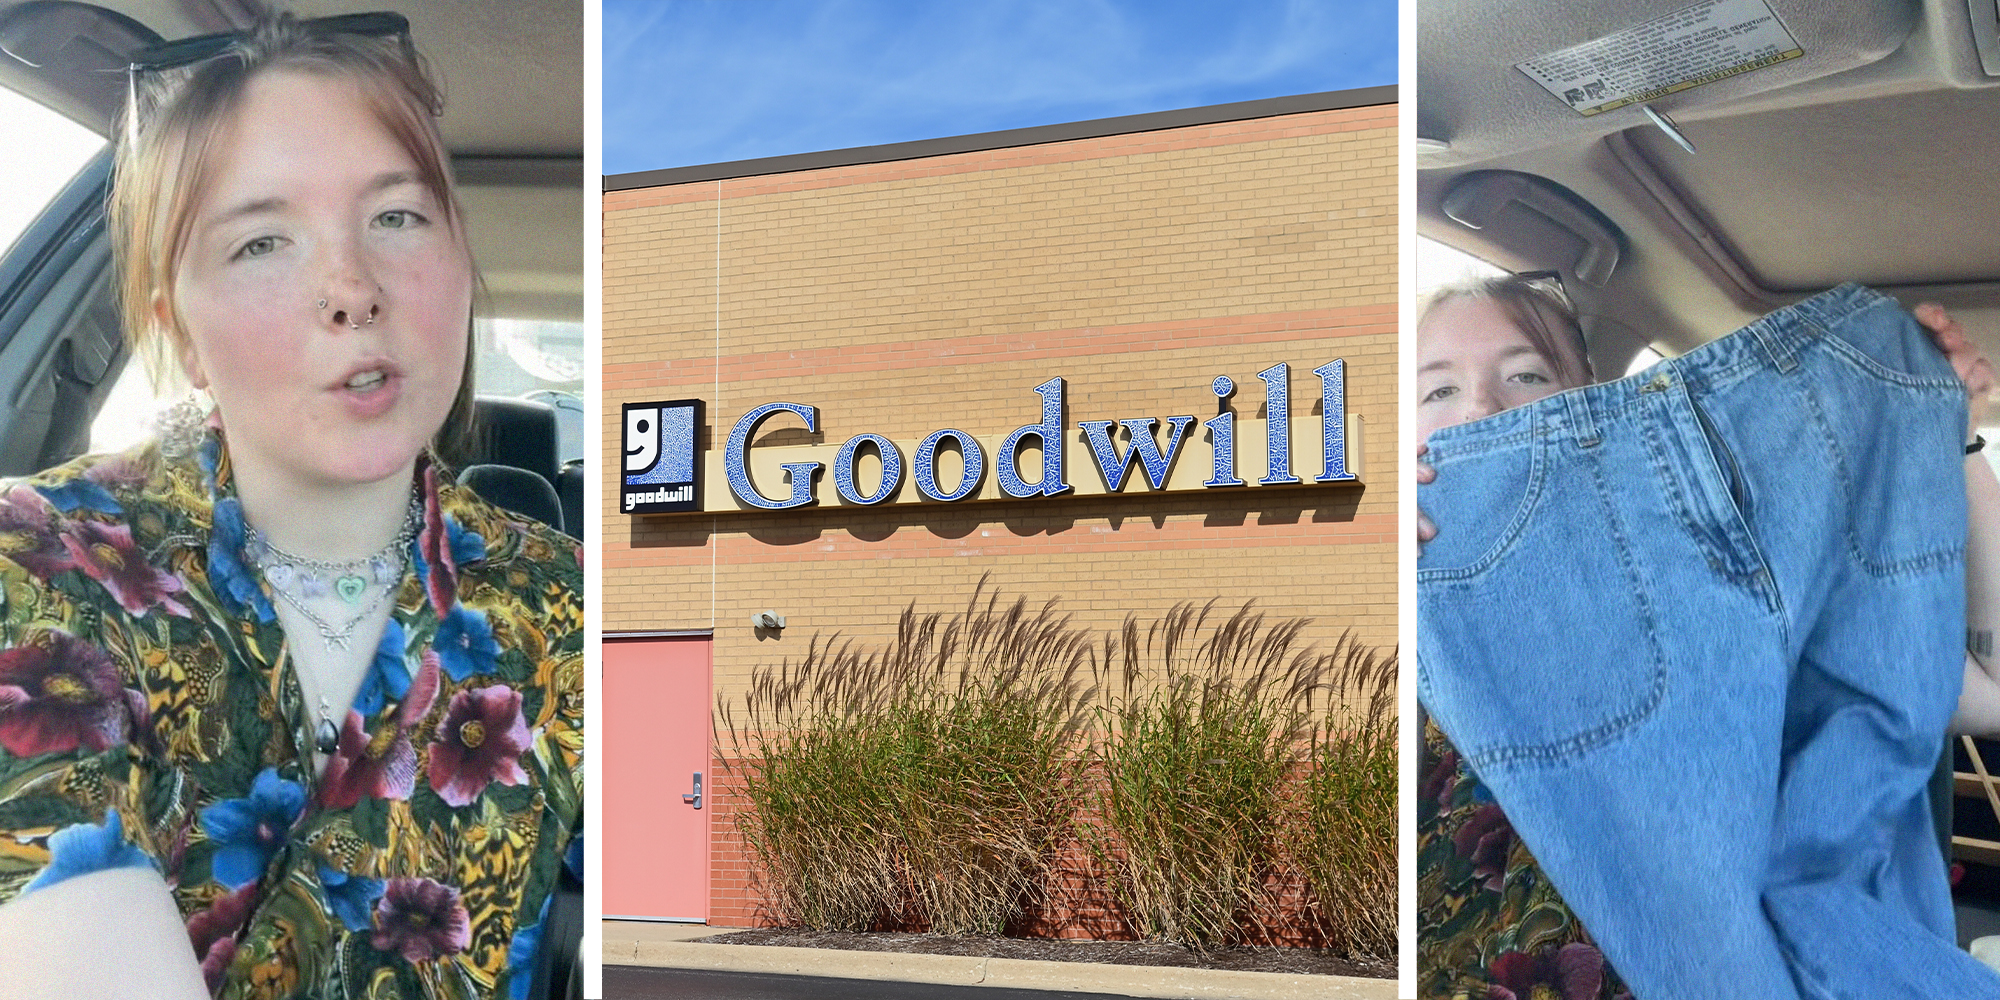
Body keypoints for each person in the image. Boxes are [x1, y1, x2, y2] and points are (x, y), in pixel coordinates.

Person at [0, 13, 582, 999]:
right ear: (177, 330)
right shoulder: (44, 564)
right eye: (264, 240)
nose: (351, 288)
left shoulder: (562, 602)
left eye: (397, 217)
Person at [1415, 275, 2000, 998]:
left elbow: (1990, 695)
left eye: (1526, 375)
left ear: (1591, 405)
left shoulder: (1723, 576)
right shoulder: (1386, 601)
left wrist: (1956, 439)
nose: (1479, 407)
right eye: (1436, 390)